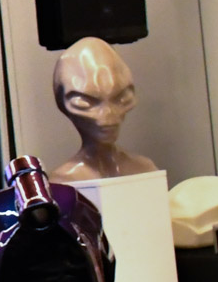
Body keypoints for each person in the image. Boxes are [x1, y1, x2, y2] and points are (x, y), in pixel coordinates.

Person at [50, 36, 156, 180]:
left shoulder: (144, 169)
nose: (108, 114)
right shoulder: (63, 180)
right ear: (63, 104)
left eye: (120, 99)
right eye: (85, 103)